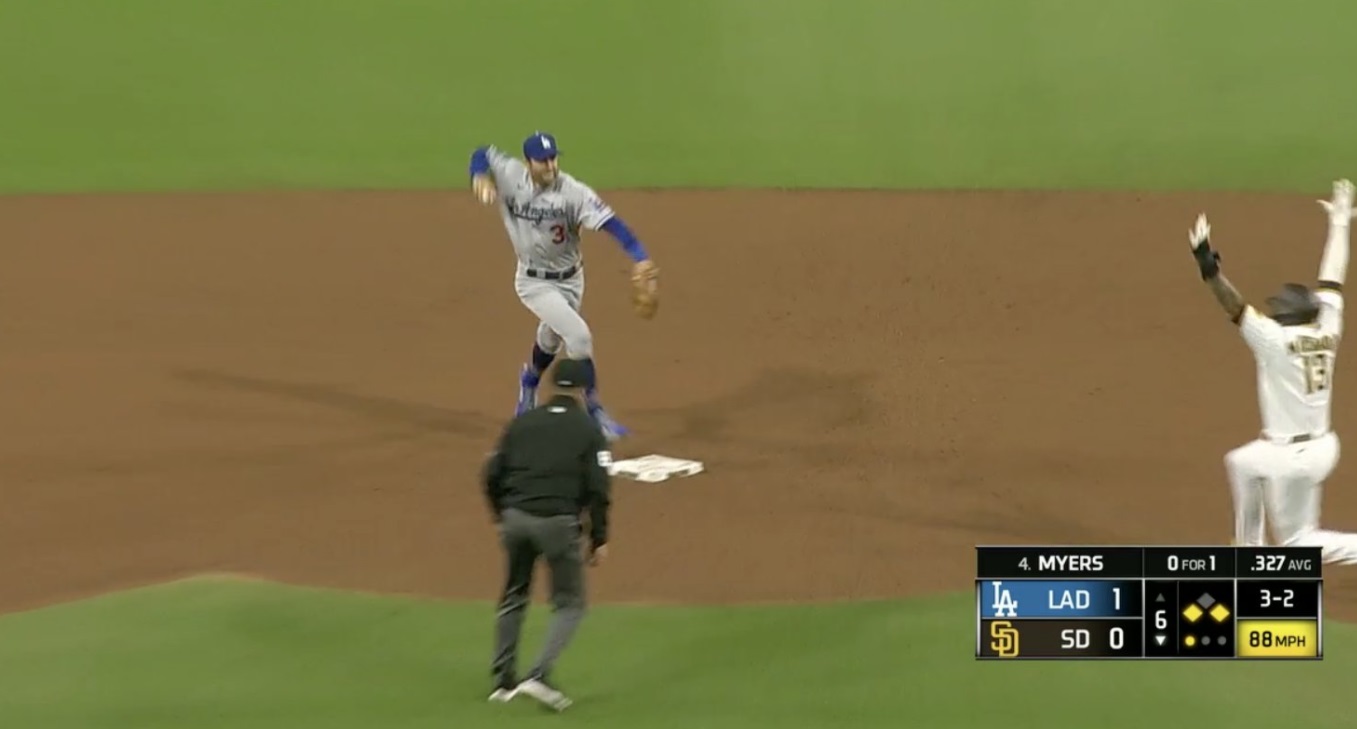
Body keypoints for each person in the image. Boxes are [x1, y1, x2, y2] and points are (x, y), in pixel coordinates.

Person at [1188, 178, 1357, 562]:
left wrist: (1209, 271)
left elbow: (1233, 306)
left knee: (1298, 541)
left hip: (1292, 456)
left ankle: (1252, 553)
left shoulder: (1273, 341)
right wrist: (1341, 223)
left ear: (1286, 315)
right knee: (1241, 462)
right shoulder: (1327, 326)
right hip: (1320, 446)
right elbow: (1333, 276)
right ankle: (1247, 550)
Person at [468, 131, 661, 442]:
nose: (551, 166)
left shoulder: (573, 192)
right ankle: (595, 412)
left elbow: (614, 224)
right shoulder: (509, 174)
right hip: (533, 283)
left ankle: (529, 382)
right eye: (543, 161)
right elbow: (482, 152)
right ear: (527, 162)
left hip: (572, 280)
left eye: (554, 158)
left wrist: (640, 257)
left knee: (550, 337)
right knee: (579, 337)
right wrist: (479, 175)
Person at [480, 358, 613, 711]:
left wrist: (500, 516)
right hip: (557, 523)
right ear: (585, 391)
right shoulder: (588, 430)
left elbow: (491, 472)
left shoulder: (522, 422)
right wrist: (598, 539)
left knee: (514, 595)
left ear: (553, 385)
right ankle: (538, 676)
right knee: (570, 603)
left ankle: (502, 683)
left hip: (516, 519)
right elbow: (599, 489)